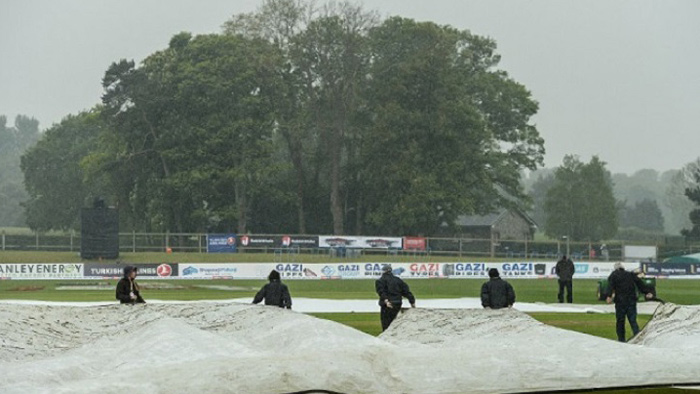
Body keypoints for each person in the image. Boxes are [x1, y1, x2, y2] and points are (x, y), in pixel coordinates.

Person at [606, 262, 653, 342]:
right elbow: (639, 283)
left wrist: (609, 296)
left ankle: (621, 339)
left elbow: (610, 285)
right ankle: (637, 337)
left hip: (620, 301)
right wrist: (647, 292)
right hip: (631, 300)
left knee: (620, 321)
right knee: (633, 320)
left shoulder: (613, 275)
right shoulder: (630, 274)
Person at [375, 265, 416, 331]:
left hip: (387, 305)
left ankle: (387, 339)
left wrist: (386, 301)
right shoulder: (398, 280)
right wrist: (412, 302)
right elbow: (406, 292)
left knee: (386, 325)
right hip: (397, 303)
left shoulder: (380, 281)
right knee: (396, 324)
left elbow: (381, 292)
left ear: (383, 272)